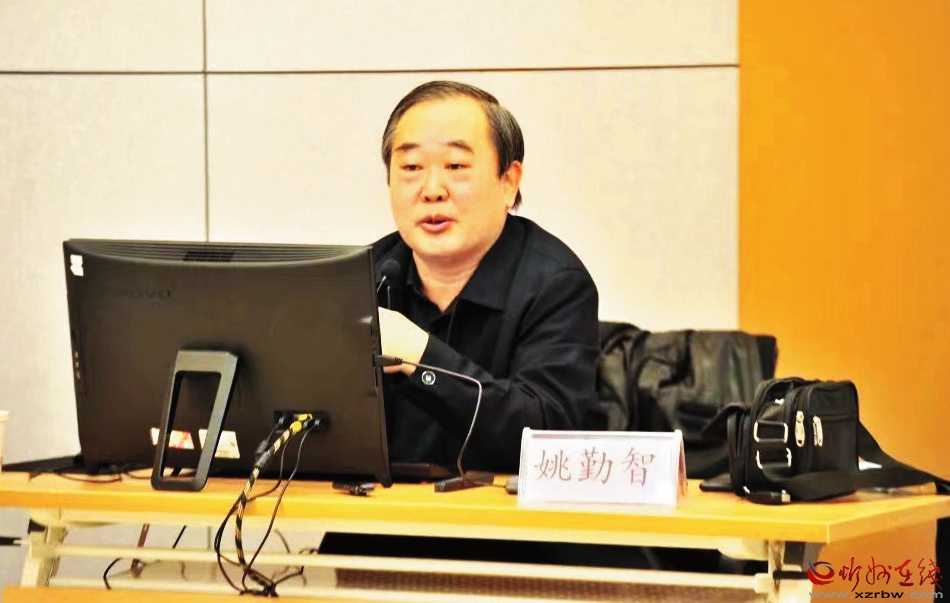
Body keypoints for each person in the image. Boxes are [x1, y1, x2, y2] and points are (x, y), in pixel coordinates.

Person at [370, 80, 600, 475]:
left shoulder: (557, 285)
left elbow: (546, 440)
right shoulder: (368, 276)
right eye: (411, 168)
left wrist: (421, 357)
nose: (432, 190)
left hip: (503, 514)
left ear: (508, 182)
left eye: (456, 167)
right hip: (371, 512)